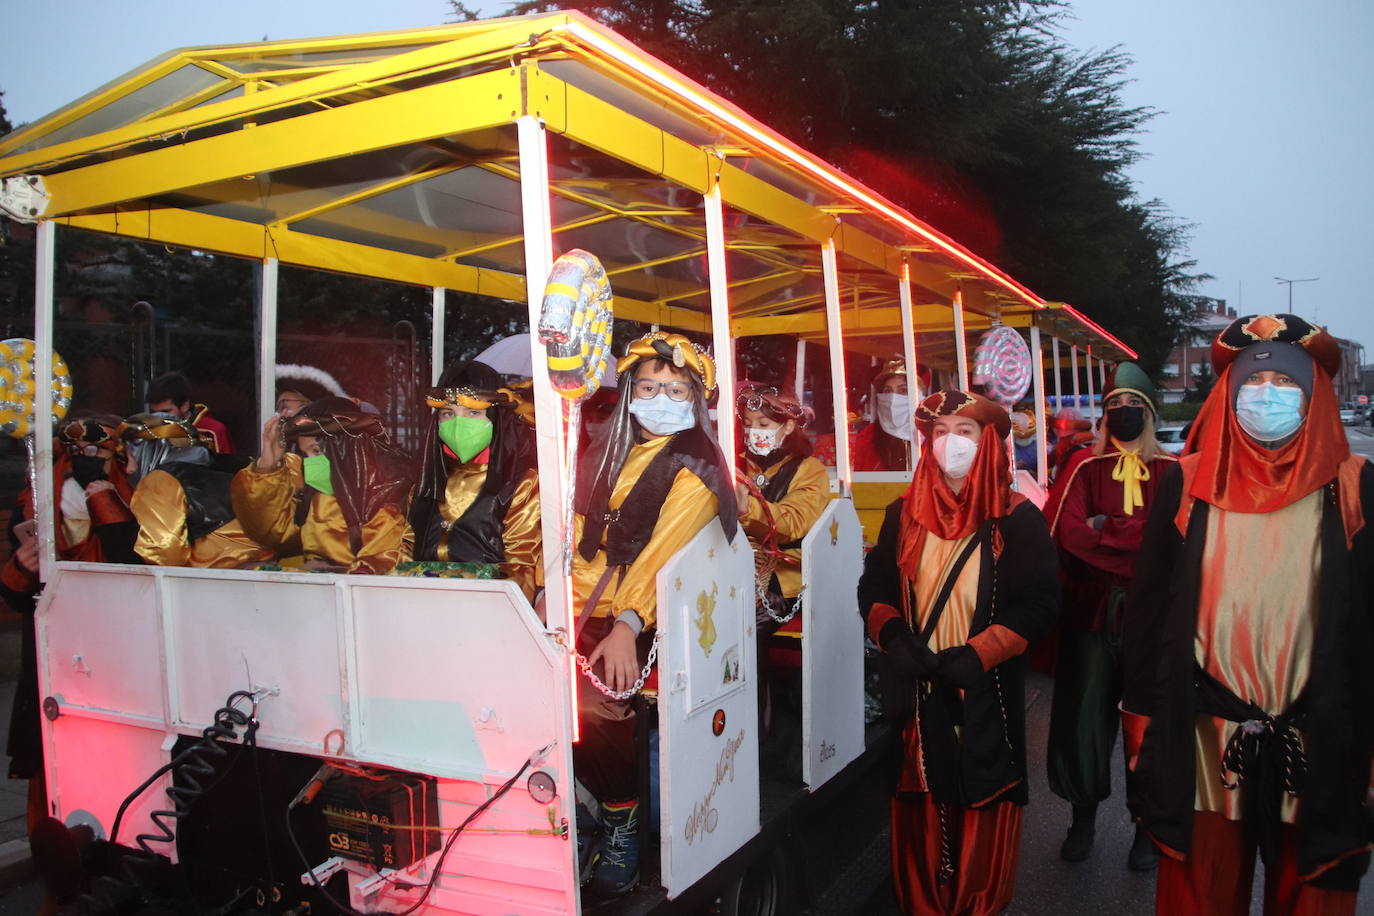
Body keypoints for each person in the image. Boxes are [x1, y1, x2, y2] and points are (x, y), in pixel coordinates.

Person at [1122, 313, 1373, 914]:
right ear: (1228, 395)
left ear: (1313, 397)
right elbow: (1149, 617)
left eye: (1286, 385)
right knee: (1198, 896)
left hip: (1319, 740)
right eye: (1252, 385)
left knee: (1309, 896)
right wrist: (1141, 728)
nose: (1266, 396)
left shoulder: (1355, 487)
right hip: (1206, 742)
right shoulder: (1184, 486)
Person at [859, 389, 1059, 916]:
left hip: (982, 692)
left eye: (965, 432)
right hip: (918, 691)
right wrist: (894, 637)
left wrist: (982, 653)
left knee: (980, 797)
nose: (951, 443)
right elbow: (873, 587)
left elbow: (1041, 604)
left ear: (989, 442)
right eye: (941, 431)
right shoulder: (903, 513)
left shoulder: (1016, 519)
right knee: (920, 797)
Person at [571, 331, 737, 896]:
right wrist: (548, 591)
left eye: (674, 389)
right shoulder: (601, 448)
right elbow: (575, 529)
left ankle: (622, 819)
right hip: (578, 603)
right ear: (629, 392)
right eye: (648, 386)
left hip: (649, 613)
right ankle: (574, 804)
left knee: (599, 704)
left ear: (695, 399)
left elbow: (662, 555)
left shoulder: (697, 465)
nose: (660, 398)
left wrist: (626, 625)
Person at [1040, 362, 1176, 869]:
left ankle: (1146, 825)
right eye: (1112, 407)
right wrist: (1137, 535)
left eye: (1132, 407)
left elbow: (1177, 540)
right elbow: (1069, 535)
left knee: (1150, 722)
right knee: (1084, 720)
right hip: (1091, 614)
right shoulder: (1083, 469)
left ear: (1149, 414)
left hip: (1155, 618)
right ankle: (1083, 819)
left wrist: (1107, 528)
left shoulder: (1174, 471)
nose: (1121, 414)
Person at [1, 415, 138, 833]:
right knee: (54, 759)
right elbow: (19, 595)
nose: (85, 458)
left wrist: (105, 501)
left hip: (116, 648)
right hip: (53, 652)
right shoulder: (35, 504)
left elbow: (132, 561)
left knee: (122, 758)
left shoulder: (136, 496)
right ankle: (57, 867)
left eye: (96, 451)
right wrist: (22, 569)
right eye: (76, 451)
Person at [734, 382, 829, 778]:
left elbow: (791, 523)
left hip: (781, 583)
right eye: (750, 423)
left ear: (788, 426)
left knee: (741, 632)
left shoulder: (809, 470)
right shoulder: (734, 462)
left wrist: (745, 506)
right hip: (727, 573)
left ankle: (754, 743)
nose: (756, 430)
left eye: (766, 423)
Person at [407, 361, 541, 600]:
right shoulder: (425, 478)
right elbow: (404, 546)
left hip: (488, 608)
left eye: (474, 413)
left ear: (495, 417)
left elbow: (520, 565)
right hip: (420, 604)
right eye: (448, 413)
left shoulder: (521, 482)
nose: (459, 423)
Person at [231, 397, 411, 574]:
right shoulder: (318, 496)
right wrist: (267, 466)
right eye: (305, 453)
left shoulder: (385, 496)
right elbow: (274, 534)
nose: (310, 462)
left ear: (346, 447)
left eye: (316, 451)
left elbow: (382, 561)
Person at [120, 414, 273, 568]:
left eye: (132, 456)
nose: (129, 468)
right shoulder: (243, 467)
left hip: (213, 582)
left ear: (154, 449)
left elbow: (164, 554)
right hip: (272, 573)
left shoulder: (160, 481)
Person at [145, 370, 235, 454]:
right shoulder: (148, 432)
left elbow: (228, 468)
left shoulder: (213, 432)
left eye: (165, 412)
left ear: (185, 406)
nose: (159, 417)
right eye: (153, 412)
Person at [853, 357, 917, 471]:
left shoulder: (932, 437)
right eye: (888, 391)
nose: (893, 398)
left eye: (903, 390)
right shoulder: (867, 438)